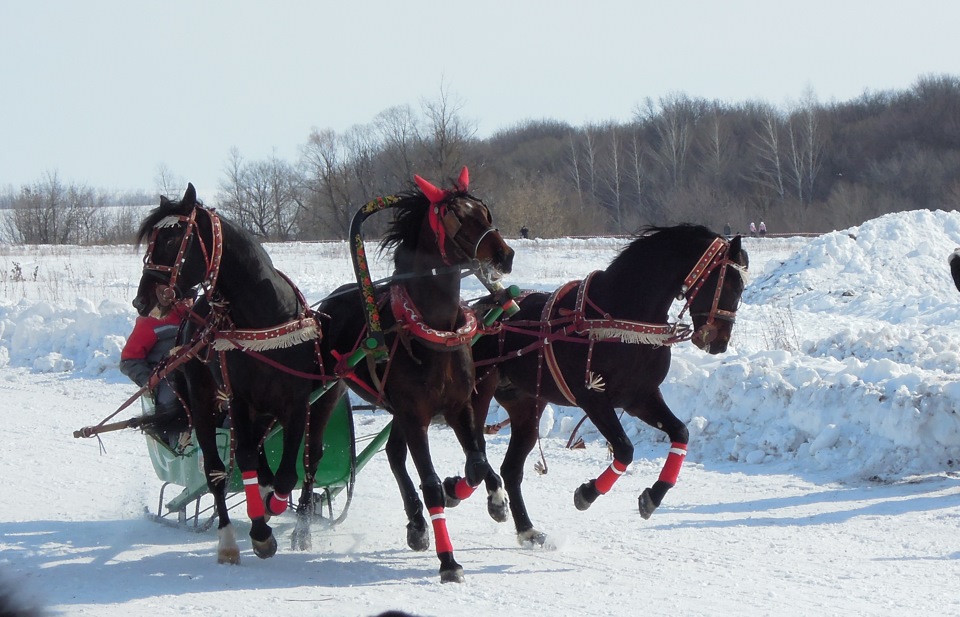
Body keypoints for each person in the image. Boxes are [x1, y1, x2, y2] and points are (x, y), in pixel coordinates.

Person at [120, 285, 193, 448]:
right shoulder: (152, 320)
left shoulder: (204, 317)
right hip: (167, 379)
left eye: (190, 297)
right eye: (183, 298)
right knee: (174, 406)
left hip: (200, 376)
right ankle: (176, 446)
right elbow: (129, 359)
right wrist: (150, 381)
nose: (187, 302)